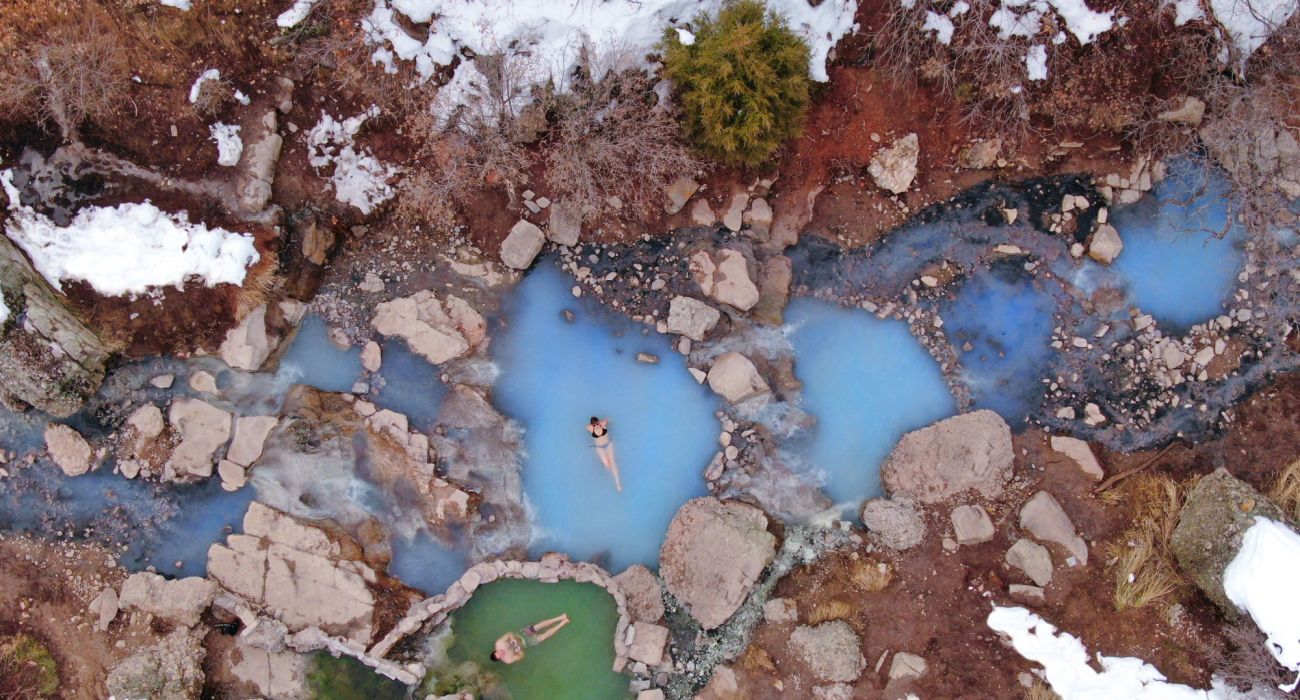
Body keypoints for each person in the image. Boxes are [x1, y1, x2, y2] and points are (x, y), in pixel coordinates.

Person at [490, 614, 570, 664]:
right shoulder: (508, 660)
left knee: (539, 626)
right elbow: (521, 656)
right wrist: (519, 651)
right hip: (526, 643)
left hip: (521, 634)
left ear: (496, 650)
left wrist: (512, 638)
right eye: (500, 656)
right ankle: (562, 624)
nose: (501, 653)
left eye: (498, 652)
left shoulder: (499, 643)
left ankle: (559, 618)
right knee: (543, 637)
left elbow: (509, 633)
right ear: (500, 659)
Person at [587, 416, 622, 492]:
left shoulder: (603, 424)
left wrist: (604, 421)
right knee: (607, 465)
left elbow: (609, 419)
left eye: (597, 423)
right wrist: (592, 425)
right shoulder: (591, 428)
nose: (596, 425)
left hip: (608, 445)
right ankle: (605, 464)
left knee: (612, 463)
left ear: (598, 422)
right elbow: (586, 427)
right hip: (599, 448)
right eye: (594, 424)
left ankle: (618, 483)